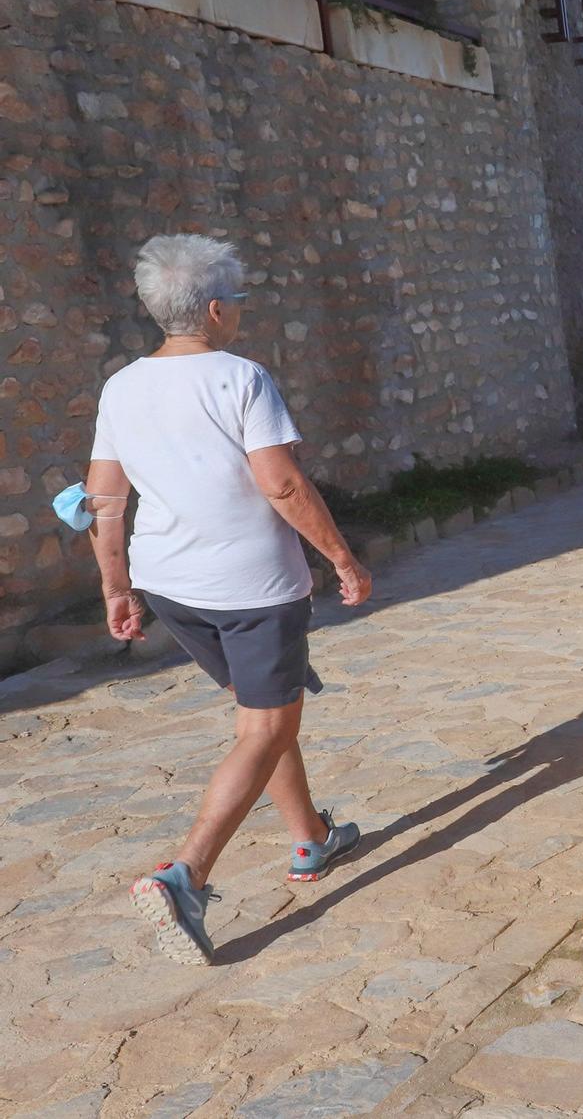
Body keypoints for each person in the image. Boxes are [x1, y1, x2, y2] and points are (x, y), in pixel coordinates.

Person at [85, 235, 372, 966]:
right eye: (237, 302)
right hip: (252, 586)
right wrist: (340, 555)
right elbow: (281, 483)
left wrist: (117, 588)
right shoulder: (241, 378)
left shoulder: (121, 387)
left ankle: (310, 837)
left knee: (263, 711)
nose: (239, 312)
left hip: (170, 584)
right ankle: (185, 875)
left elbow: (106, 502)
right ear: (214, 309)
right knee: (264, 725)